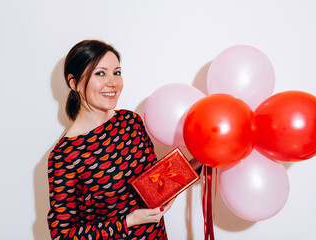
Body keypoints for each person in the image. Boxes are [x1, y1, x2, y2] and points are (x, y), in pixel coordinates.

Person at [47, 40, 202, 240]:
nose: (112, 83)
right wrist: (128, 221)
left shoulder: (130, 121)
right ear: (74, 82)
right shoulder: (64, 156)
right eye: (100, 73)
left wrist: (200, 160)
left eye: (116, 72)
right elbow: (63, 235)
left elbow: (154, 186)